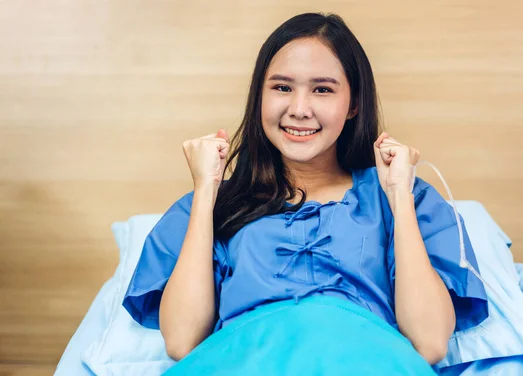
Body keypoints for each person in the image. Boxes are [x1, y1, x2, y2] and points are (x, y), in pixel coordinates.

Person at [123, 12, 488, 375]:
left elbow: (430, 342)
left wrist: (399, 199)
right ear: (259, 97)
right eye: (282, 88)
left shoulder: (406, 198)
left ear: (354, 104)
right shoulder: (211, 204)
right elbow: (182, 342)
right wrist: (206, 191)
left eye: (323, 89)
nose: (299, 110)